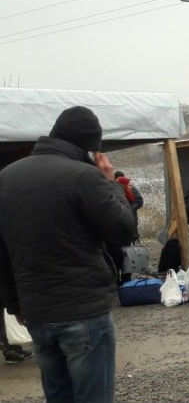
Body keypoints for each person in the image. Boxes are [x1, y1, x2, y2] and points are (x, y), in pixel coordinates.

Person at [0, 106, 136, 402]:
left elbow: (2, 251)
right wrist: (111, 184)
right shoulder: (85, 177)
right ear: (92, 147)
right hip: (83, 310)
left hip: (36, 311)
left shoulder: (5, 178)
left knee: (58, 395)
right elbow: (124, 230)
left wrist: (14, 304)